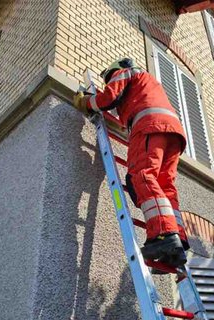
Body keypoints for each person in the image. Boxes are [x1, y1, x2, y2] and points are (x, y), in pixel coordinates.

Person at [73, 58, 189, 266]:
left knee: (142, 175)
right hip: (174, 133)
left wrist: (87, 102)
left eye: (109, 78)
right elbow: (123, 110)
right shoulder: (147, 84)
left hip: (150, 125)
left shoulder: (126, 74)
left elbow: (109, 98)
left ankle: (164, 234)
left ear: (116, 70)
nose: (110, 81)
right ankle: (177, 242)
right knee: (165, 187)